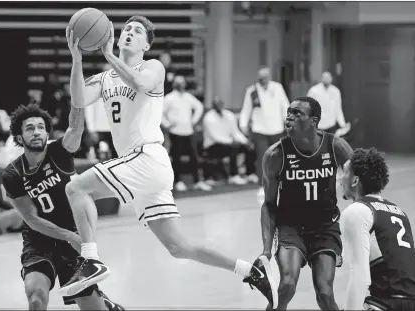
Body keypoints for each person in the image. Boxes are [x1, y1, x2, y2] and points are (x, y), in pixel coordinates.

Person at [58, 15, 276, 307]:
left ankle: (91, 259)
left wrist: (108, 53)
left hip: (147, 157)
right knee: (178, 246)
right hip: (138, 166)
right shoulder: (104, 77)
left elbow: (137, 82)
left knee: (76, 188)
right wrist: (76, 59)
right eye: (127, 29)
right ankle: (250, 270)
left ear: (146, 44)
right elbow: (80, 99)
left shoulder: (153, 67)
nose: (130, 33)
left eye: (137, 31)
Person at [1, 104, 123, 311]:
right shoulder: (12, 174)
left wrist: (79, 99)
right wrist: (69, 236)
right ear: (20, 137)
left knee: (94, 308)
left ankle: (103, 302)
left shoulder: (59, 151)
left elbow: (75, 128)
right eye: (30, 128)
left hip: (73, 240)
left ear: (47, 132)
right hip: (39, 243)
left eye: (41, 127)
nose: (37, 132)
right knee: (36, 297)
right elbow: (31, 218)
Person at [261, 96, 353, 310]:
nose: (289, 118)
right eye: (288, 113)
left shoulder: (335, 146)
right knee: (286, 286)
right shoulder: (275, 154)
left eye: (296, 114)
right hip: (290, 227)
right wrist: (266, 248)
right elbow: (268, 204)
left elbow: (359, 178)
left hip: (325, 227)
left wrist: (353, 195)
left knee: (325, 294)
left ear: (314, 121)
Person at [339, 148, 415, 311]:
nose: (340, 178)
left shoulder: (357, 211)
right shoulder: (398, 211)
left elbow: (360, 276)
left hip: (388, 302)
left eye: (343, 172)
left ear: (355, 180)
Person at [239, 67, 290, 200]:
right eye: (261, 78)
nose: (263, 80)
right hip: (259, 129)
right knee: (263, 157)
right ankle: (263, 185)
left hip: (276, 128)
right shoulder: (252, 91)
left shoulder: (277, 88)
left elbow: (284, 105)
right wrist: (243, 125)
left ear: (269, 77)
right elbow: (246, 109)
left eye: (265, 77)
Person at [162, 75, 211, 192]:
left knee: (194, 157)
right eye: (178, 82)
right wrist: (167, 124)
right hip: (175, 132)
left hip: (188, 131)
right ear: (174, 84)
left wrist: (193, 121)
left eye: (182, 82)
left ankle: (197, 181)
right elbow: (160, 113)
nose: (180, 84)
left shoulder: (188, 97)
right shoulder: (169, 98)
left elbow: (199, 107)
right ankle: (178, 181)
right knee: (176, 157)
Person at [307, 72, 349, 136]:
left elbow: (338, 109)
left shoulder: (336, 91)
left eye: (328, 77)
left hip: (331, 125)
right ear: (321, 78)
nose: (326, 79)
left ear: (331, 79)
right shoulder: (313, 91)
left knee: (329, 144)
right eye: (325, 77)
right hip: (318, 125)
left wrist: (342, 124)